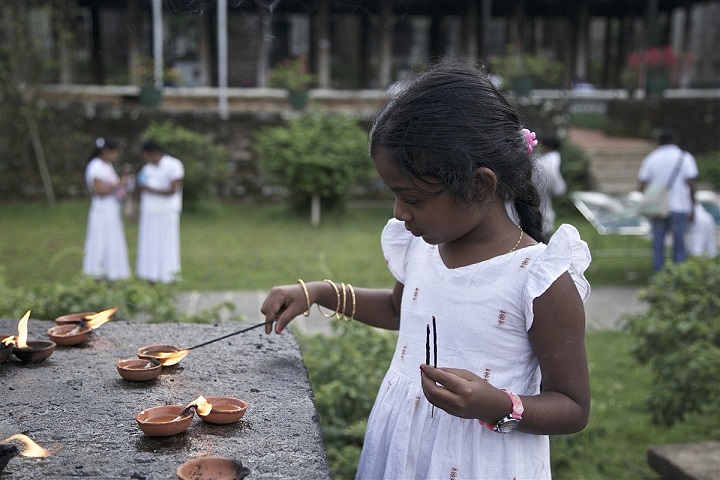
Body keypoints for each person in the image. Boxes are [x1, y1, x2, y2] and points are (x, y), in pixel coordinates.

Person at [260, 60, 592, 479]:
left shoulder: (540, 280)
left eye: (412, 198)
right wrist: (320, 293)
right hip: (402, 450)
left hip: (482, 463)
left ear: (480, 185)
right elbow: (402, 311)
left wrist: (496, 404)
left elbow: (573, 406)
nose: (399, 214)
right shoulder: (422, 244)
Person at [637, 128, 698, 272]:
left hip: (658, 207)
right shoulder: (684, 157)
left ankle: (658, 277)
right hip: (679, 206)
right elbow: (691, 184)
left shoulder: (651, 158)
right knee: (679, 244)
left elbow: (641, 185)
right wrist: (693, 207)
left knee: (658, 243)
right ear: (675, 141)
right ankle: (679, 275)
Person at [82, 137, 132, 280]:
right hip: (102, 210)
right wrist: (119, 184)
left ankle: (112, 271)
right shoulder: (95, 166)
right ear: (106, 151)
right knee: (100, 240)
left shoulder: (107, 166)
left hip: (112, 209)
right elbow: (99, 191)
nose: (116, 156)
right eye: (115, 152)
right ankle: (97, 271)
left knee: (112, 241)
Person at [136, 140, 184, 283]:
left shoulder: (174, 165)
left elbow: (172, 190)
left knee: (167, 244)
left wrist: (151, 189)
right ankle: (150, 274)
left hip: (166, 211)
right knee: (149, 245)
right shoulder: (147, 168)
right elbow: (140, 184)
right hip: (149, 212)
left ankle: (168, 275)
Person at [534, 133, 567, 238]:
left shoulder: (548, 161)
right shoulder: (551, 160)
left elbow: (559, 188)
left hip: (540, 213)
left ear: (547, 147)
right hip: (544, 214)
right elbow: (559, 190)